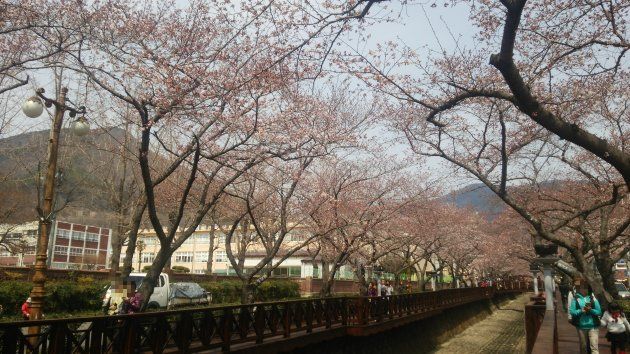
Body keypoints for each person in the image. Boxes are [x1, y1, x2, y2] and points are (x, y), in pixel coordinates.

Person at [569, 282, 602, 354]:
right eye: (582, 288)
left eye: (586, 288)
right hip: (581, 327)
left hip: (593, 326)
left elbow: (599, 312)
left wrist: (591, 310)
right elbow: (572, 312)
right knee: (583, 347)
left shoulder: (593, 298)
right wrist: (581, 311)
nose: (584, 290)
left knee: (594, 347)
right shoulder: (576, 299)